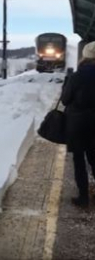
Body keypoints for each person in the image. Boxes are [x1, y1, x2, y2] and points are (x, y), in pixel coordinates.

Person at [61, 41, 95, 207]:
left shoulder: (76, 76)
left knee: (79, 160)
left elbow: (65, 100)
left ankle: (83, 198)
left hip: (78, 124)